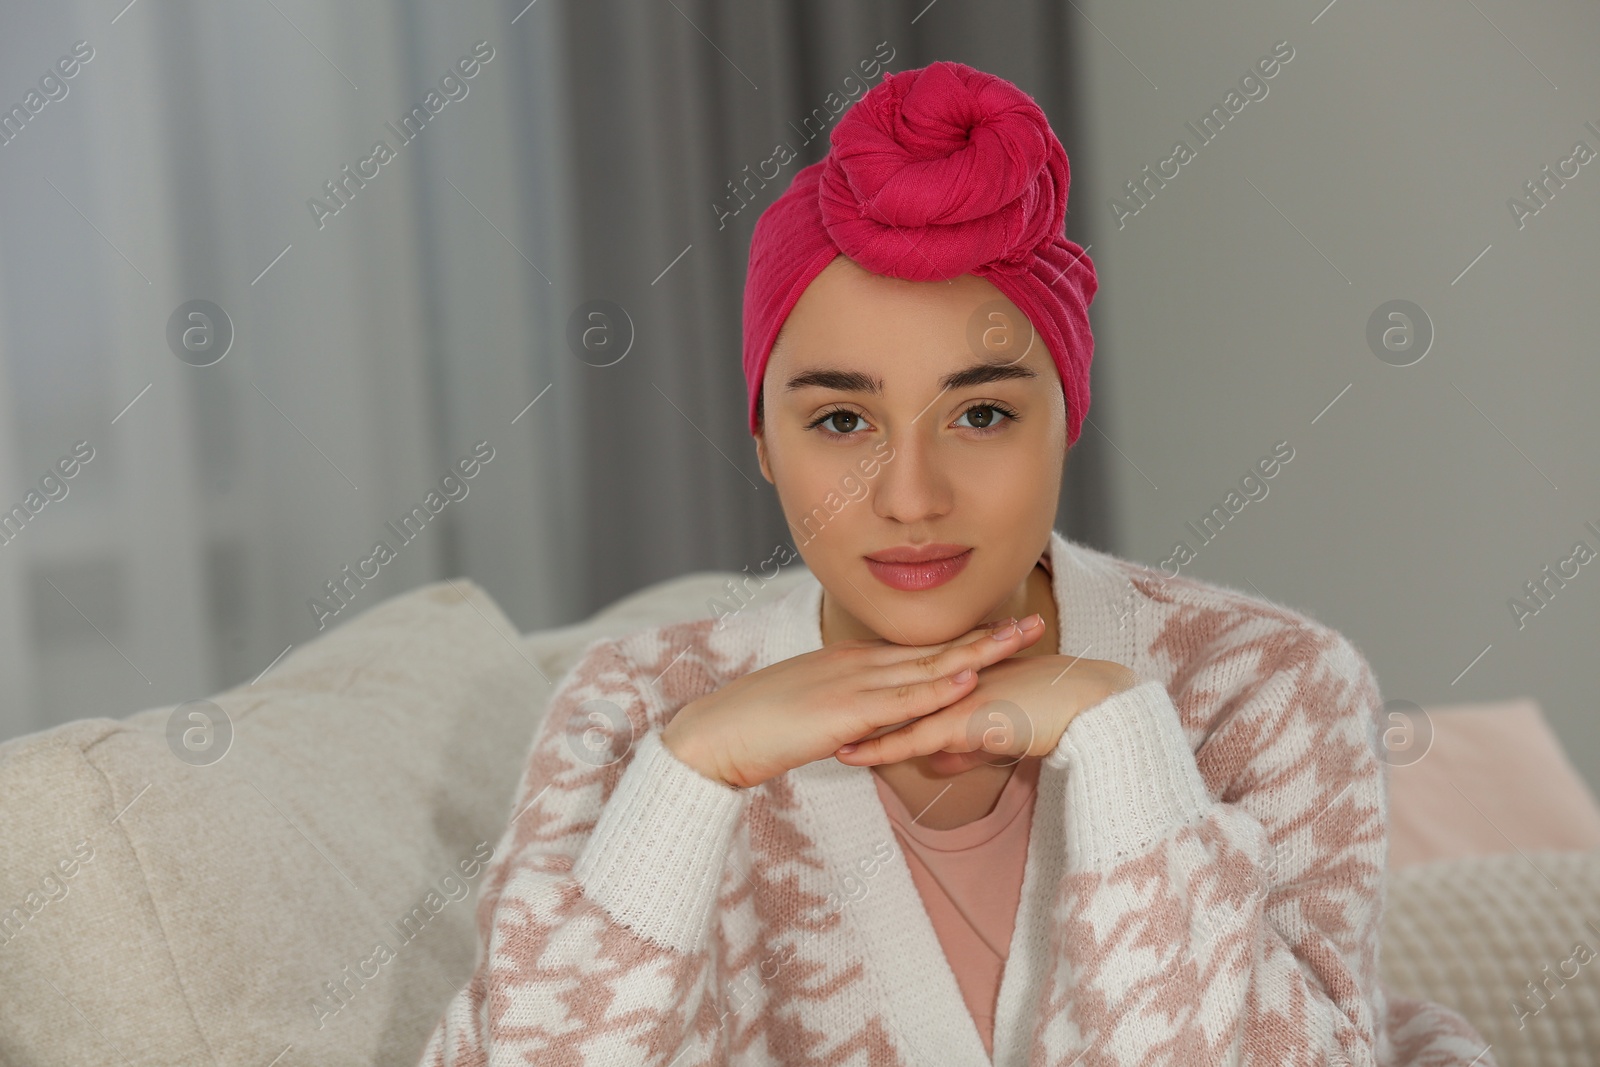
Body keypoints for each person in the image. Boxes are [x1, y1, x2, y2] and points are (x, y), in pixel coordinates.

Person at [418, 60, 1494, 1066]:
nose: (909, 494)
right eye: (841, 420)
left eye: (979, 412)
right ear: (759, 437)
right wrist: (690, 775)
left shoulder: (1266, 687)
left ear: (1065, 415)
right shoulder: (636, 706)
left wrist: (1127, 752)